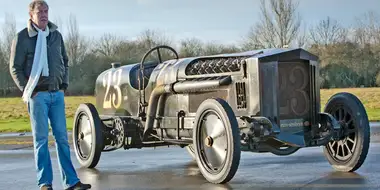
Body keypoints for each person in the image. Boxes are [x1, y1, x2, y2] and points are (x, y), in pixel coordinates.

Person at [9, 1, 91, 190]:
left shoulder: (56, 35)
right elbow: (15, 68)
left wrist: (64, 86)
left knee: (62, 138)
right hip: (37, 96)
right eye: (40, 12)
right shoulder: (22, 37)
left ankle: (71, 182)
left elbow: (65, 61)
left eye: (46, 11)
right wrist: (30, 90)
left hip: (57, 95)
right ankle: (45, 183)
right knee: (41, 140)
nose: (44, 15)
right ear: (31, 15)